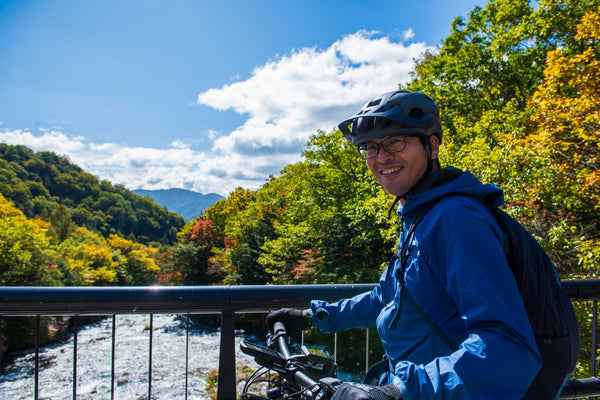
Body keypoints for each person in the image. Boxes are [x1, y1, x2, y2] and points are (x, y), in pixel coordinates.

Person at [267, 90, 542, 399]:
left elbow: (508, 348)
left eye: (394, 142)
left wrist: (398, 392)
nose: (381, 157)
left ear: (432, 146)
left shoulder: (455, 219)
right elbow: (387, 297)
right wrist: (314, 317)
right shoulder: (419, 217)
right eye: (370, 147)